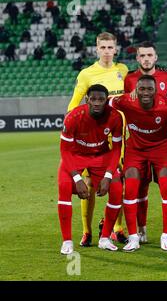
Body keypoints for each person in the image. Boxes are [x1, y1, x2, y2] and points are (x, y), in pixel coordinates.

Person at [68, 32, 129, 247]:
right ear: (96, 49)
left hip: (120, 137)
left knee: (117, 181)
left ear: (116, 49)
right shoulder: (86, 74)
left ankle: (117, 228)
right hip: (94, 140)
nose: (106, 51)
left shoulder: (123, 71)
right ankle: (87, 231)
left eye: (110, 47)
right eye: (102, 47)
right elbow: (73, 106)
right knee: (89, 184)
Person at [110, 75, 167, 251]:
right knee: (131, 188)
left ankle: (166, 235)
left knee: (166, 186)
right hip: (136, 149)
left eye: (149, 89)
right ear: (135, 90)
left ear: (156, 90)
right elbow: (105, 102)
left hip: (161, 148)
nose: (146, 93)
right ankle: (134, 237)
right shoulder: (125, 101)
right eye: (142, 89)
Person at [58, 84, 124, 255]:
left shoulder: (115, 117)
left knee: (117, 189)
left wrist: (109, 175)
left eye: (101, 99)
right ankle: (67, 241)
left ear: (106, 100)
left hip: (101, 156)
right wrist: (77, 179)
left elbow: (116, 148)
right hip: (75, 156)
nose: (96, 103)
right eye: (93, 99)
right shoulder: (73, 117)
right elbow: (64, 150)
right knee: (64, 188)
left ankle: (104, 238)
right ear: (87, 99)